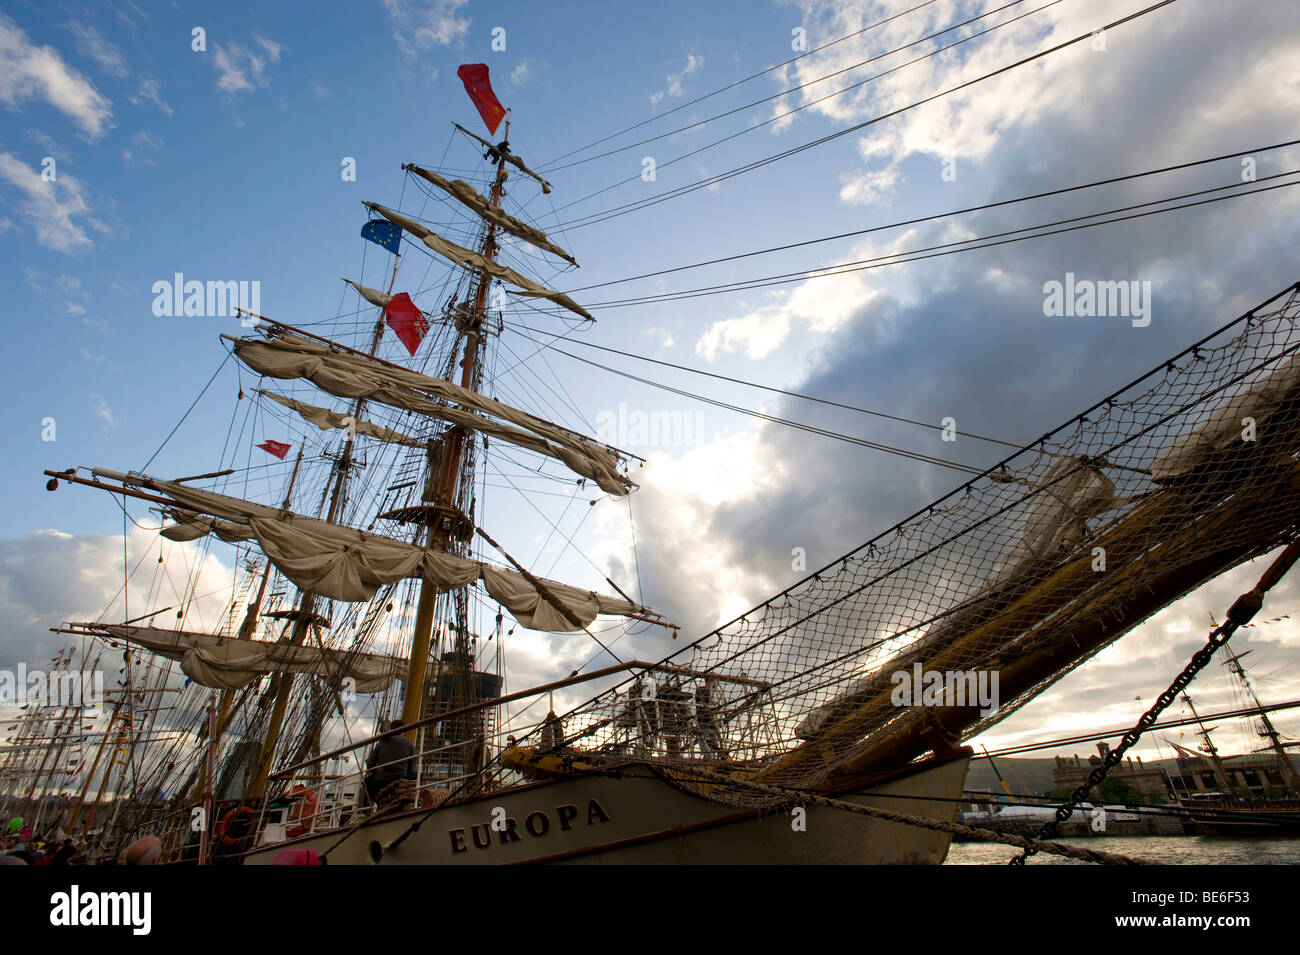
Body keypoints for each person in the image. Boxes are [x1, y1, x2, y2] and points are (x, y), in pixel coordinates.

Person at [365, 718, 416, 803]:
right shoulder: (409, 743)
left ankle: (378, 802)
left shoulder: (381, 742)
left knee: (367, 781)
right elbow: (412, 765)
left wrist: (378, 771)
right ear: (404, 730)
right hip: (401, 777)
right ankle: (411, 800)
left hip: (381, 779)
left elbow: (370, 764)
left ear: (391, 729)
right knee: (417, 776)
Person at [695, 678, 726, 760]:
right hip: (703, 721)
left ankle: (714, 757)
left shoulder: (712, 693)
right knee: (704, 738)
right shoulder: (700, 690)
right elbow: (704, 700)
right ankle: (708, 757)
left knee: (712, 740)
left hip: (712, 724)